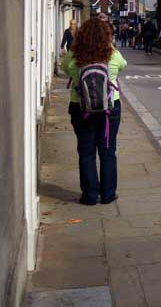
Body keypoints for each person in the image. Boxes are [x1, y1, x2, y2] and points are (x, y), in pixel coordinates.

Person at [61, 17, 127, 206]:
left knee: (86, 151)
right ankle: (108, 194)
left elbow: (64, 69)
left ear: (82, 35)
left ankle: (89, 196)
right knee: (108, 151)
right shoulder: (112, 53)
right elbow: (123, 65)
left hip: (81, 108)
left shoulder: (74, 55)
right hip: (109, 109)